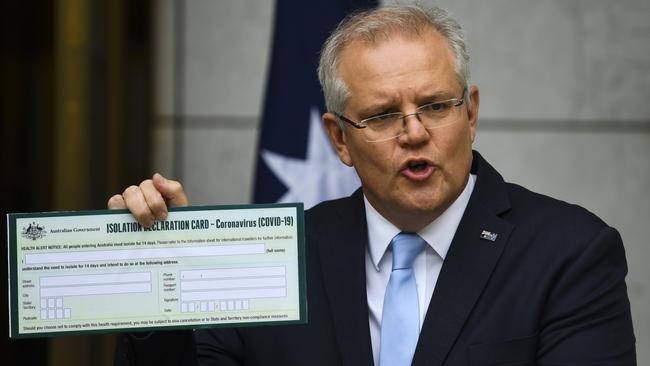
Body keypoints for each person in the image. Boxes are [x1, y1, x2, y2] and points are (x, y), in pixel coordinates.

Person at [110, 5, 636, 366]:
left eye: (435, 106)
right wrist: (166, 276)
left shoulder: (569, 251)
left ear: (470, 113)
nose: (415, 132)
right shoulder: (274, 257)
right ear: (339, 139)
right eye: (383, 115)